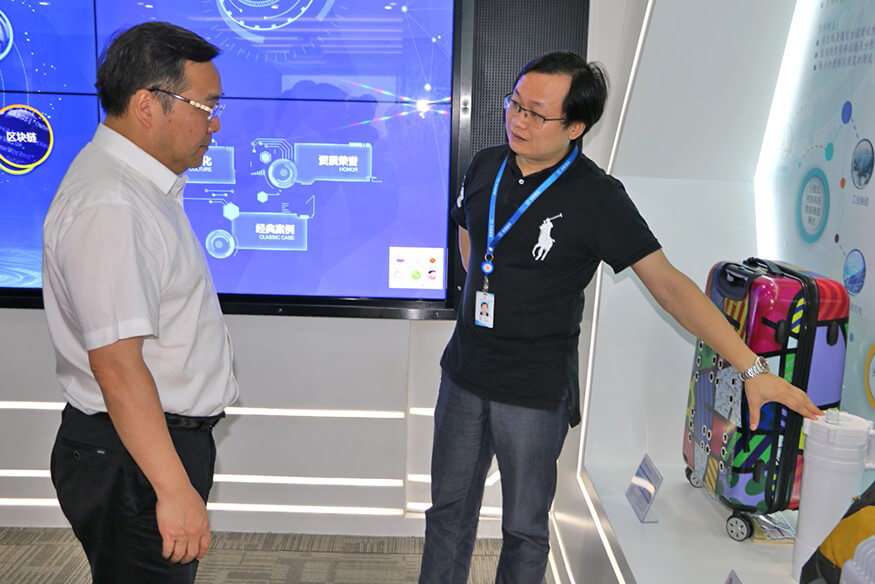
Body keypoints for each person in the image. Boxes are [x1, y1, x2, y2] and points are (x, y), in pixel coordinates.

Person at [418, 52, 824, 583]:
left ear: (576, 127)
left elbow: (669, 286)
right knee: (447, 517)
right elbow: (469, 236)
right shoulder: (485, 164)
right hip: (464, 376)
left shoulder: (597, 197)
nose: (518, 120)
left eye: (536, 113)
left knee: (523, 530)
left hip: (533, 392)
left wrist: (752, 368)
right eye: (515, 104)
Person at [41, 22, 238, 583]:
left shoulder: (138, 187)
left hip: (144, 450)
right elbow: (117, 365)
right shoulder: (113, 204)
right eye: (206, 106)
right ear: (148, 105)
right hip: (136, 461)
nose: (214, 123)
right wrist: (172, 489)